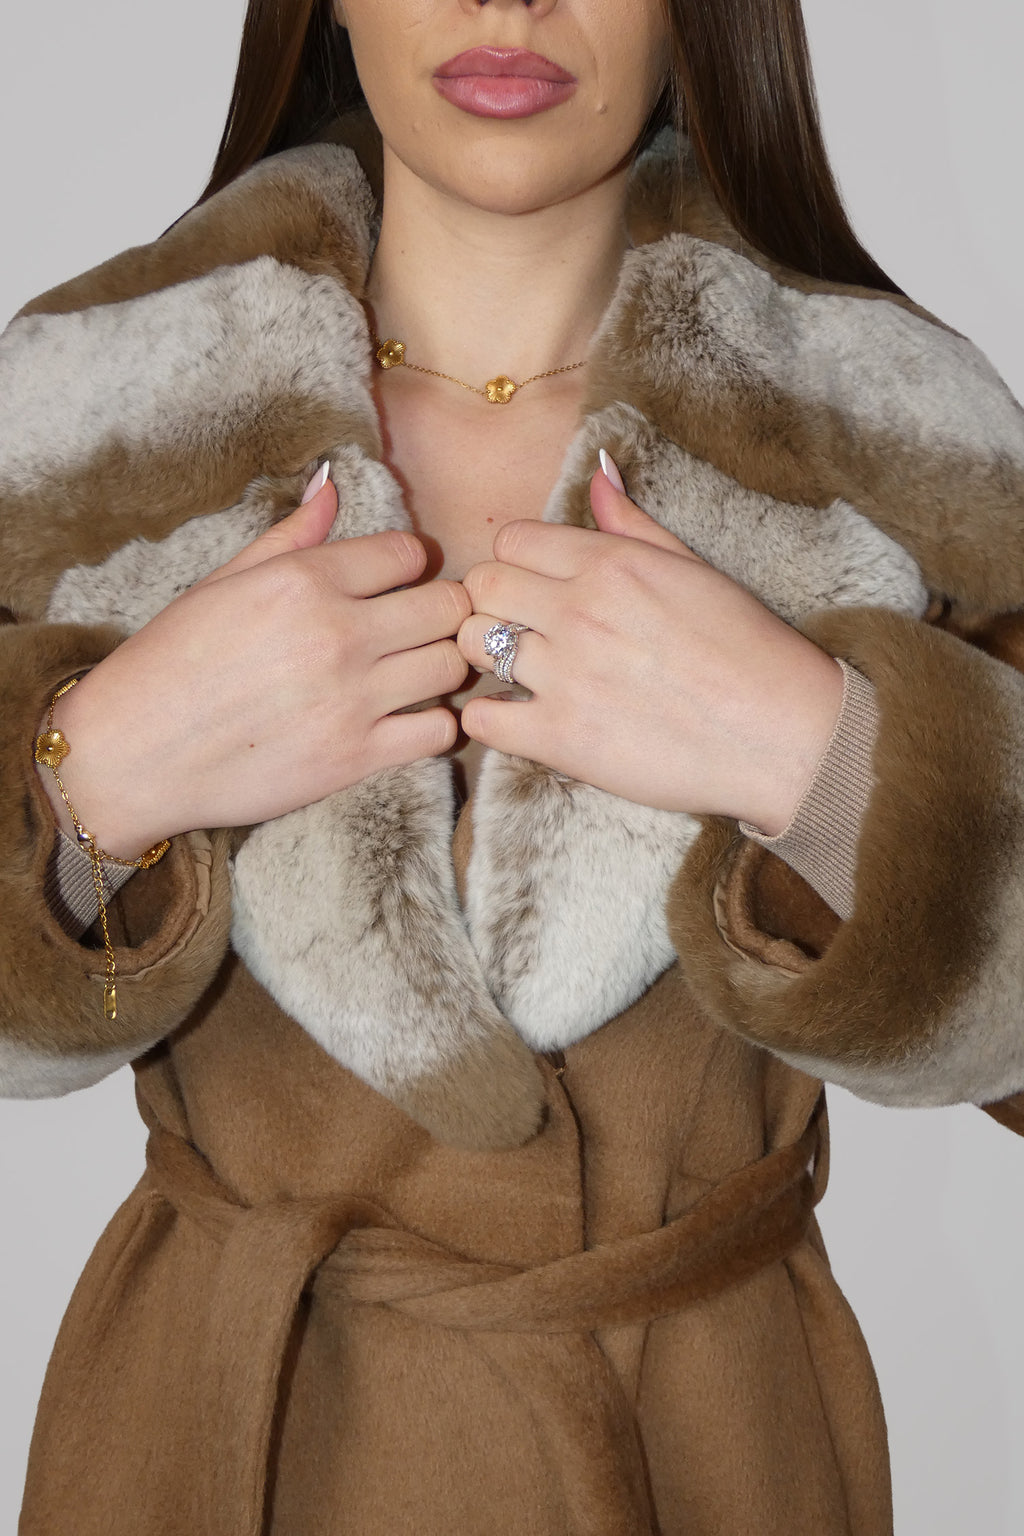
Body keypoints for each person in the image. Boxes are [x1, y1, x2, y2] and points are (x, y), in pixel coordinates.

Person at [2, 0, 1024, 1532]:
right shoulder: (79, 428)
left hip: (704, 1460)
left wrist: (826, 761)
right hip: (212, 1451)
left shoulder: (896, 444)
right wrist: (93, 784)